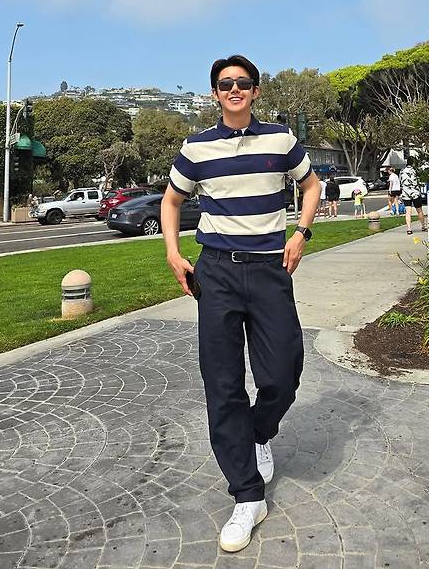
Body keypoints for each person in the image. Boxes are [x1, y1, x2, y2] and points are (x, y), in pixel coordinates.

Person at [161, 54, 320, 554]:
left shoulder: (281, 139)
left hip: (271, 269)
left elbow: (311, 185)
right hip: (217, 272)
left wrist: (301, 233)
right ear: (215, 93)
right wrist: (173, 253)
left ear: (255, 91)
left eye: (243, 83)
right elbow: (171, 200)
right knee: (223, 382)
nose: (235, 89)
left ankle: (258, 432)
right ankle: (247, 496)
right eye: (226, 83)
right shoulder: (196, 147)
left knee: (283, 372)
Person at [399, 156, 427, 234]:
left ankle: (409, 229)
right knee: (419, 210)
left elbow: (400, 181)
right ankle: (423, 226)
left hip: (405, 193)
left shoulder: (402, 171)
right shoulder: (415, 171)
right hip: (415, 193)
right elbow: (419, 181)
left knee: (408, 212)